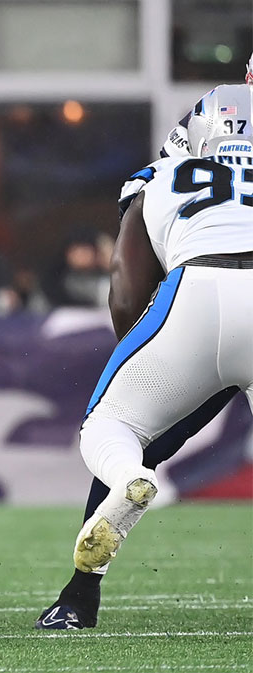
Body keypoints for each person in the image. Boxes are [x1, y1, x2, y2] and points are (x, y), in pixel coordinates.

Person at [36, 74, 253, 631]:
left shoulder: (165, 175)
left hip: (194, 296)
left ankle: (80, 597)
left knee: (116, 431)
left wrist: (149, 363)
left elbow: (126, 290)